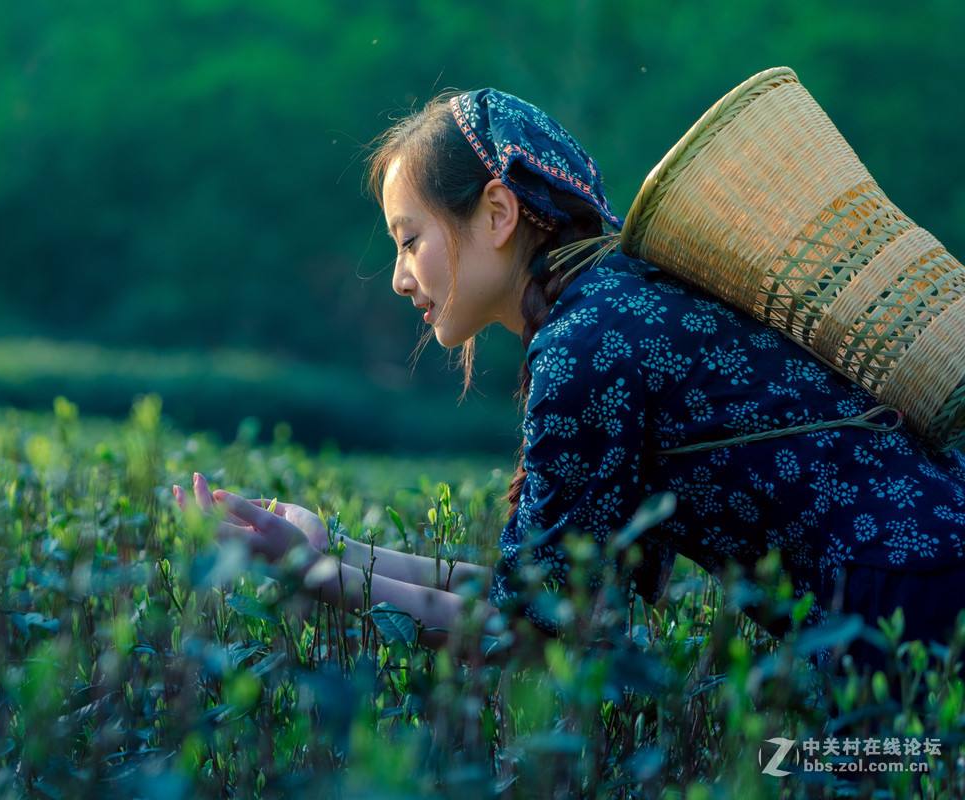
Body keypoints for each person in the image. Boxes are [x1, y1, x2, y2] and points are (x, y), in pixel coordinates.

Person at [172, 87, 965, 689]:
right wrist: (335, 553)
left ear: (497, 213)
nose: (398, 277)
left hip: (909, 603)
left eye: (410, 241)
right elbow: (546, 595)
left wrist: (320, 577)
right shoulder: (611, 306)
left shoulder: (587, 348)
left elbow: (533, 633)